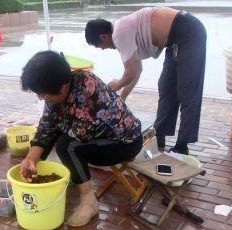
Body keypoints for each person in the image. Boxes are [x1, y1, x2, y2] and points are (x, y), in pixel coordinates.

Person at [20, 51, 142, 227]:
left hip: (124, 142)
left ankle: (88, 201)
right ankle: (76, 179)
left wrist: (48, 141)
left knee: (67, 146)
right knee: (60, 136)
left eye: (43, 94)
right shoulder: (58, 88)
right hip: (97, 136)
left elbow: (80, 134)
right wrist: (31, 158)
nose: (41, 98)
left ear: (61, 86)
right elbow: (48, 124)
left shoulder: (87, 88)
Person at [85, 8, 207, 155]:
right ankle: (159, 137)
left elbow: (131, 72)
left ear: (104, 37)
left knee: (187, 91)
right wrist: (122, 96)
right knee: (166, 87)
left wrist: (118, 84)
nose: (102, 49)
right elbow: (137, 69)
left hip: (188, 31)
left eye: (98, 46)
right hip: (174, 40)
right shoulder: (122, 31)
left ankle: (182, 146)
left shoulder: (119, 33)